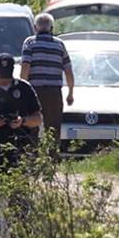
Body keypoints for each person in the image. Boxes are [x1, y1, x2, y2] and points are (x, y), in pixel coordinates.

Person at [20, 13, 74, 151]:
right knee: (53, 128)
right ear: (52, 28)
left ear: (35, 27)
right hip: (54, 93)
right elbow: (68, 70)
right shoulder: (59, 44)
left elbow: (25, 66)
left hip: (34, 92)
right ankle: (52, 158)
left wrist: (21, 89)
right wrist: (70, 93)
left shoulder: (30, 43)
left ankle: (31, 157)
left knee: (31, 126)